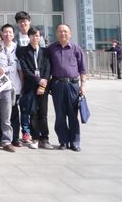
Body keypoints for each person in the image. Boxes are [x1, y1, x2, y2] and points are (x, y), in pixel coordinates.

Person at [47, 23, 87, 152]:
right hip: (57, 84)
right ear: (56, 33)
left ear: (70, 34)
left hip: (72, 85)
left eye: (65, 31)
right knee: (60, 114)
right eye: (60, 31)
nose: (62, 33)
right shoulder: (51, 49)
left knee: (73, 114)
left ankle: (75, 142)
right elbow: (47, 67)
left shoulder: (76, 49)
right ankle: (63, 141)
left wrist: (83, 85)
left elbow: (82, 69)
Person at [17, 27, 52, 150]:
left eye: (37, 35)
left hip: (43, 87)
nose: (35, 38)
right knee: (33, 113)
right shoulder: (23, 51)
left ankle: (45, 138)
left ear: (40, 37)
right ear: (29, 37)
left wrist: (43, 84)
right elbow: (25, 69)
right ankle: (35, 138)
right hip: (30, 86)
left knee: (43, 113)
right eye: (32, 35)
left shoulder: (45, 51)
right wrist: (38, 80)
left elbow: (48, 68)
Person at [1, 23, 23, 147]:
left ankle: (15, 137)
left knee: (14, 113)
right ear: (1, 34)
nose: (7, 34)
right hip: (0, 87)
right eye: (5, 32)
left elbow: (21, 69)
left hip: (14, 87)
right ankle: (2, 137)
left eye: (10, 32)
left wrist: (23, 86)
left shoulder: (18, 49)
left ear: (13, 35)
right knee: (1, 114)